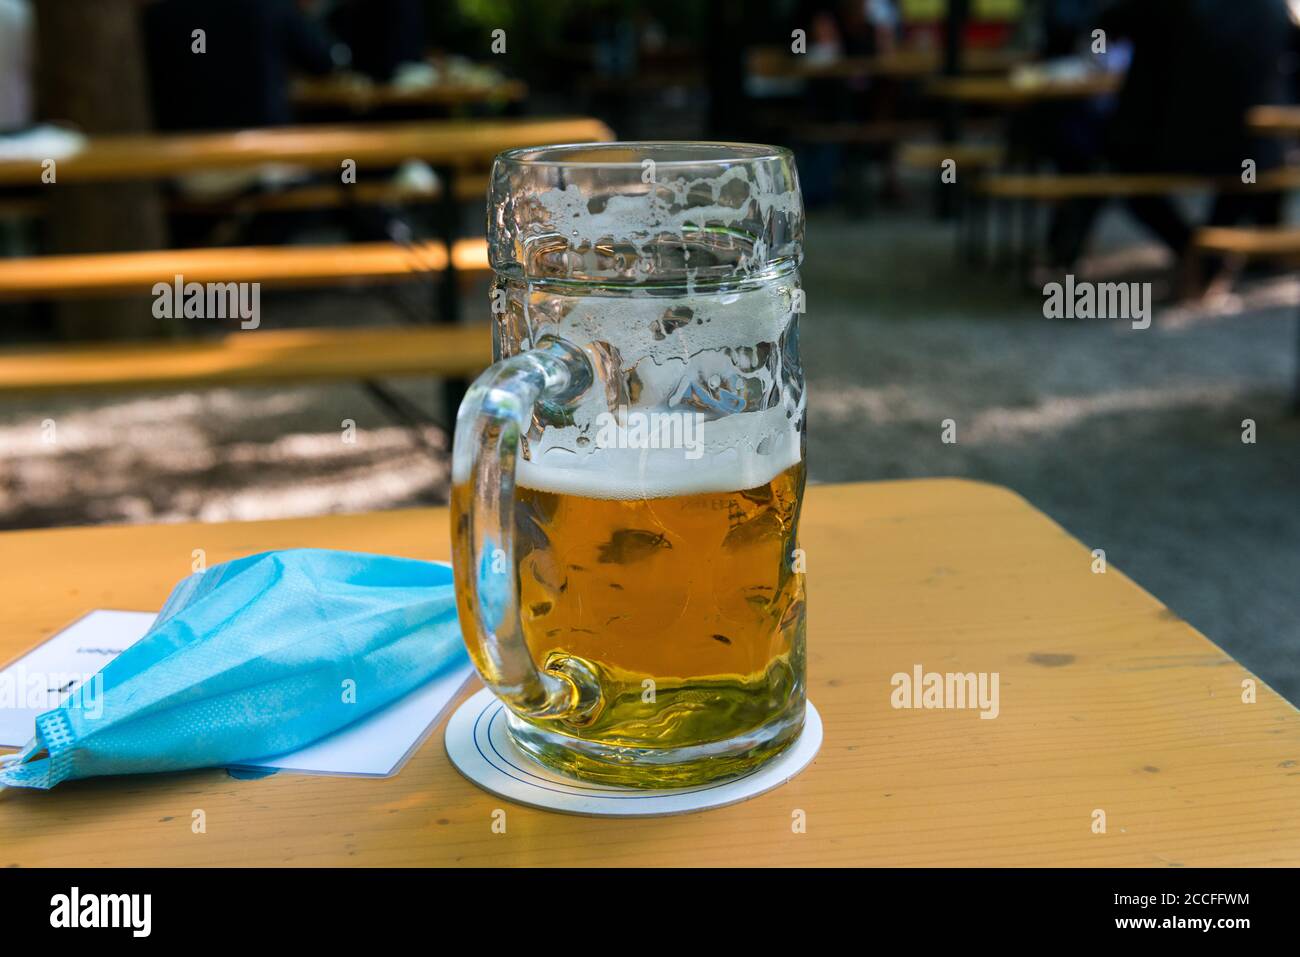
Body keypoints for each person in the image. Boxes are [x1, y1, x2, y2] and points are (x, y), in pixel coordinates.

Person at [1048, 0, 1294, 275]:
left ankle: (1198, 254)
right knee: (1246, 172)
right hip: (1253, 150)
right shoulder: (1274, 7)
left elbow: (1107, 28)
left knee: (1113, 164)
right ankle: (1208, 259)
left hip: (1169, 145)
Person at [142, 0, 334, 131]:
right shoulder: (270, 6)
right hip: (263, 159)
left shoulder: (159, 13)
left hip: (182, 168)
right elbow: (325, 61)